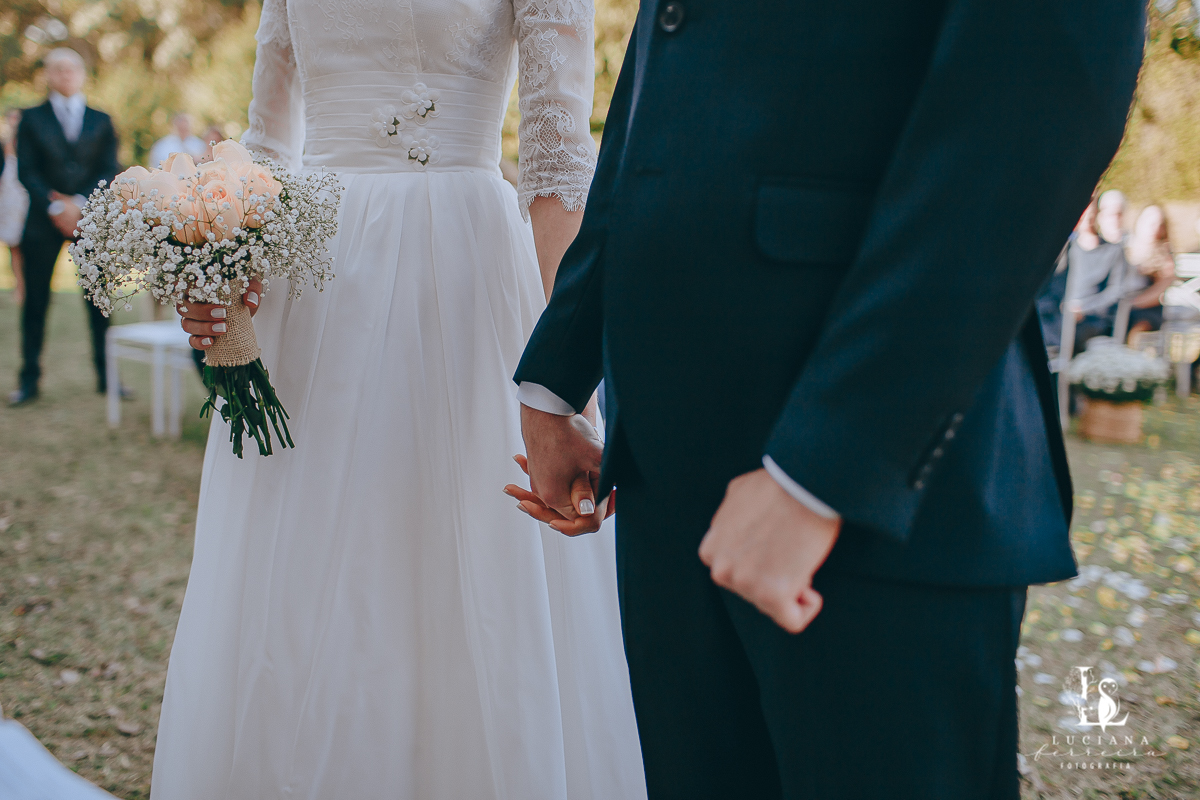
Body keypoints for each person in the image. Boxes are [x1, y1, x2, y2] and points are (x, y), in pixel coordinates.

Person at [510, 2, 1144, 799]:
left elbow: (1032, 116)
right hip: (663, 473)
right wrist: (556, 380)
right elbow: (658, 86)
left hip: (879, 484)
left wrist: (827, 468)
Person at [155, 1, 645, 798]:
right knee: (311, 557)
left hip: (452, 283)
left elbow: (556, 167)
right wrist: (224, 279)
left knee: (456, 540)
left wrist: (566, 387)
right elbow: (266, 156)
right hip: (311, 285)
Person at [10, 48, 121, 406]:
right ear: (48, 75)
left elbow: (110, 168)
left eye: (72, 68)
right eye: (58, 69)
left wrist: (79, 203)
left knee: (98, 299)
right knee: (36, 302)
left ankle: (108, 378)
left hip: (89, 220)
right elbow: (26, 170)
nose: (65, 74)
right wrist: (56, 205)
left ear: (82, 74)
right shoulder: (30, 118)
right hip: (42, 221)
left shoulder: (101, 119)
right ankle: (29, 380)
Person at [1065, 200, 1132, 351]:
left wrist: (1085, 309)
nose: (1087, 219)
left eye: (1091, 214)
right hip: (1063, 315)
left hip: (1095, 318)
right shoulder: (1067, 250)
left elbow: (1116, 291)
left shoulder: (1113, 251)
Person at [1124, 204, 1176, 336]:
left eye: (1159, 224)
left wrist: (1131, 304)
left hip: (1144, 310)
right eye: (1150, 222)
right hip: (1119, 305)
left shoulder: (1165, 257)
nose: (1154, 228)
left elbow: (1159, 292)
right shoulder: (1122, 248)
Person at [1, 109, 29, 304]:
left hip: (27, 198)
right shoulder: (4, 146)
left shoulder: (31, 144)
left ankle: (31, 287)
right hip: (9, 198)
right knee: (14, 247)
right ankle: (19, 287)